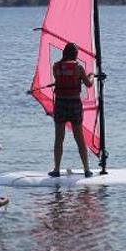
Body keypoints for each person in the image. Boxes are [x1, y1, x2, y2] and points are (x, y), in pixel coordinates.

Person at [49, 42, 95, 178]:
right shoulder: (79, 68)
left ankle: (56, 169)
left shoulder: (56, 66)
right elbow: (89, 84)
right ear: (75, 54)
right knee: (79, 138)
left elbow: (60, 79)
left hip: (60, 104)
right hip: (74, 104)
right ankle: (87, 170)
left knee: (59, 138)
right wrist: (91, 75)